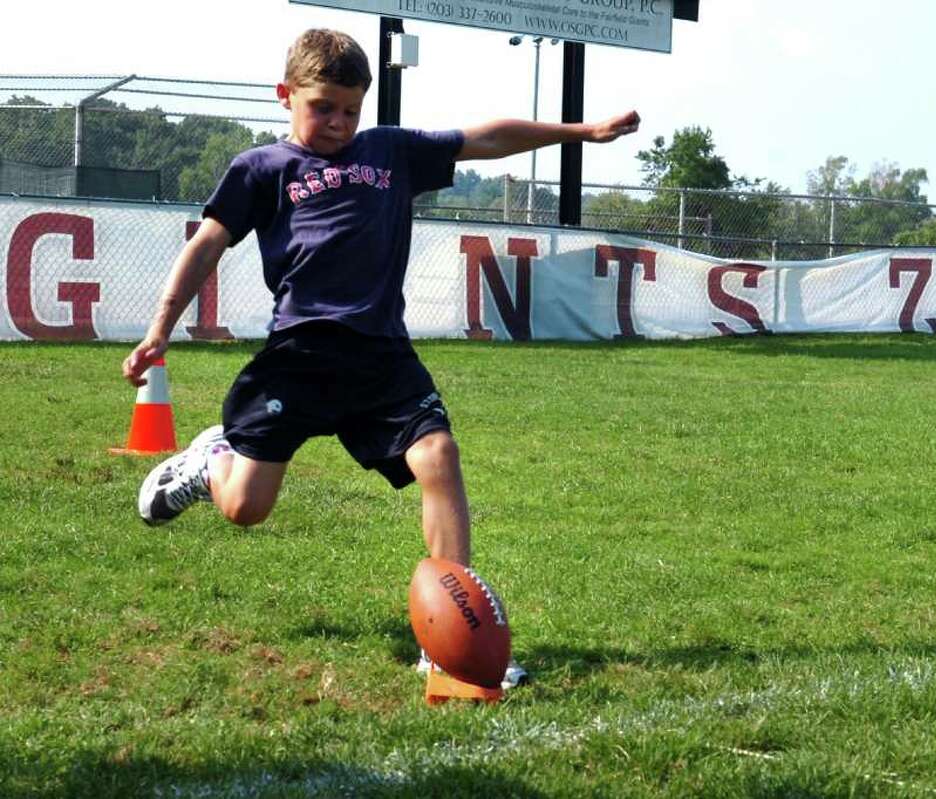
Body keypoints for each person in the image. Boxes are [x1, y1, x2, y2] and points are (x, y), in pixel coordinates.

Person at [121, 28, 640, 689]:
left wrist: (581, 131)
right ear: (286, 96)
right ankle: (211, 459)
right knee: (246, 508)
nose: (338, 122)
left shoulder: (390, 152)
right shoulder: (261, 169)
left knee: (439, 457)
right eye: (322, 107)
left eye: (350, 109)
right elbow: (206, 246)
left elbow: (482, 137)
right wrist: (159, 328)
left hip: (382, 358)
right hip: (298, 357)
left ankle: (449, 647)